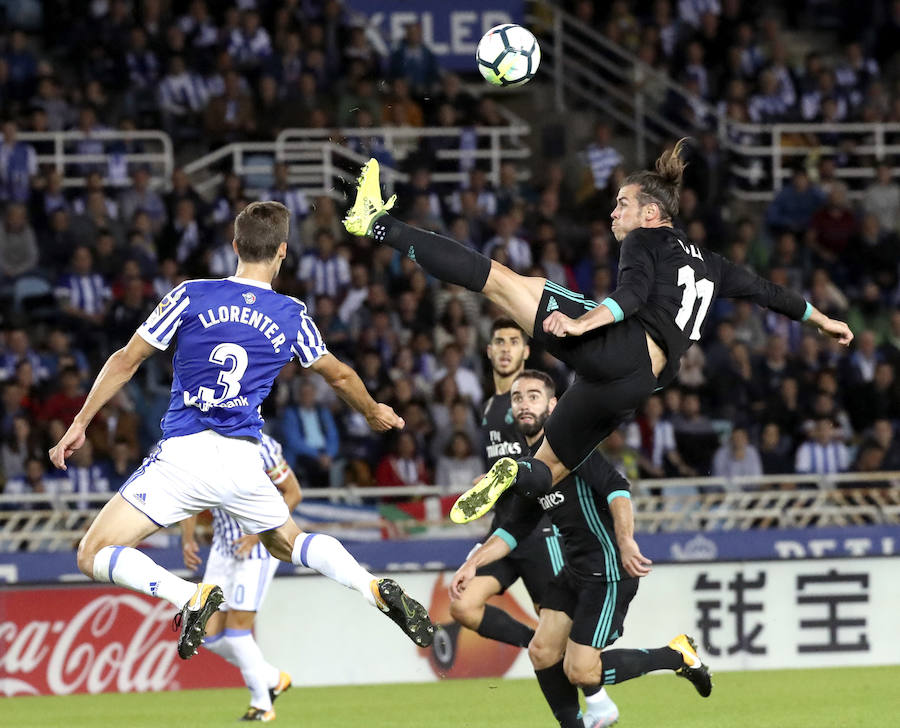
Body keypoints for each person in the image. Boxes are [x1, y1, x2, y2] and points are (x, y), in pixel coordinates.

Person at [339, 148, 854, 520]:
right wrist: (822, 320)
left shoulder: (646, 241)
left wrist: (581, 323)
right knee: (548, 467)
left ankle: (377, 225)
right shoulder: (712, 265)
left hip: (618, 349)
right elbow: (769, 292)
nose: (613, 213)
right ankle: (513, 473)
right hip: (637, 386)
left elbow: (630, 296)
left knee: (500, 281)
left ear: (651, 213)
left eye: (622, 204)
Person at [49, 201, 434, 664]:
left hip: (184, 455)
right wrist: (372, 411)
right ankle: (369, 585)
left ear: (235, 245)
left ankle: (187, 595)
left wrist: (80, 423)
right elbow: (339, 375)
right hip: (243, 462)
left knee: (92, 553)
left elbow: (126, 361)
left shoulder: (190, 295)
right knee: (289, 542)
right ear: (283, 251)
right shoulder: (291, 313)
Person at [450, 370, 711, 728]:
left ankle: (676, 655)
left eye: (533, 396)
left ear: (552, 405)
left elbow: (617, 488)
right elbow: (513, 529)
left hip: (609, 572)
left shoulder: (573, 447)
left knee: (580, 670)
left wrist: (626, 540)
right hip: (573, 571)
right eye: (517, 398)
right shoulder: (530, 468)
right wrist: (473, 564)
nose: (524, 404)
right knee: (542, 651)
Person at [448, 319, 619, 728]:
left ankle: (607, 694)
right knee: (464, 606)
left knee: (564, 643)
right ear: (489, 351)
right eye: (499, 342)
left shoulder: (533, 406)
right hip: (504, 531)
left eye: (514, 342)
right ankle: (538, 647)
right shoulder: (493, 408)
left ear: (526, 352)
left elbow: (548, 462)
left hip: (541, 532)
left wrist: (506, 478)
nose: (506, 349)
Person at [181, 433, 299, 722]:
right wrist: (187, 539)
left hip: (257, 552)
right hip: (222, 550)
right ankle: (273, 678)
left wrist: (259, 534)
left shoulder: (264, 446)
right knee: (206, 634)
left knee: (237, 633)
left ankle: (262, 705)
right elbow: (189, 495)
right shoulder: (199, 446)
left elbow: (293, 493)